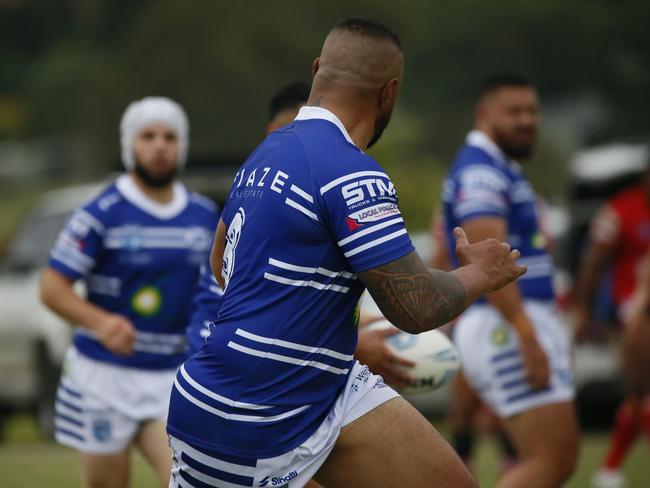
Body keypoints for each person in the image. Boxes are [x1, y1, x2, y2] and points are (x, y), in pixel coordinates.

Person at [166, 18, 525, 488]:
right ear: (388, 93)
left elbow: (222, 263)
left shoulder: (264, 155)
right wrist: (480, 272)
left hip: (269, 391)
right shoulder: (353, 175)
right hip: (260, 414)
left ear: (317, 69)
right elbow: (416, 305)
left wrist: (312, 338)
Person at [187, 80, 415, 390]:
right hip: (233, 382)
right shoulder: (259, 209)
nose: (310, 144)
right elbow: (252, 311)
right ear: (273, 133)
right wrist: (356, 346)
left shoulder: (316, 204)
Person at [39, 97, 219, 488]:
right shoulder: (101, 212)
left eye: (169, 137)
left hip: (171, 375)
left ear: (181, 146)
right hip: (104, 376)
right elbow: (52, 287)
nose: (159, 146)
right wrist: (100, 322)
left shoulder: (204, 216)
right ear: (129, 145)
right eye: (148, 136)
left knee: (188, 478)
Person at [442, 73, 579, 487]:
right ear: (484, 114)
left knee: (556, 458)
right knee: (550, 459)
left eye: (532, 111)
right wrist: (526, 333)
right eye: (513, 111)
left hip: (515, 322)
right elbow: (489, 264)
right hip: (505, 324)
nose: (526, 120)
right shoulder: (481, 171)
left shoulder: (501, 166)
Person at [574, 172, 650, 488]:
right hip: (635, 312)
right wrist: (584, 309)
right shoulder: (621, 209)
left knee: (639, 396)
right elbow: (595, 261)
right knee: (641, 390)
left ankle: (609, 468)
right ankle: (609, 469)